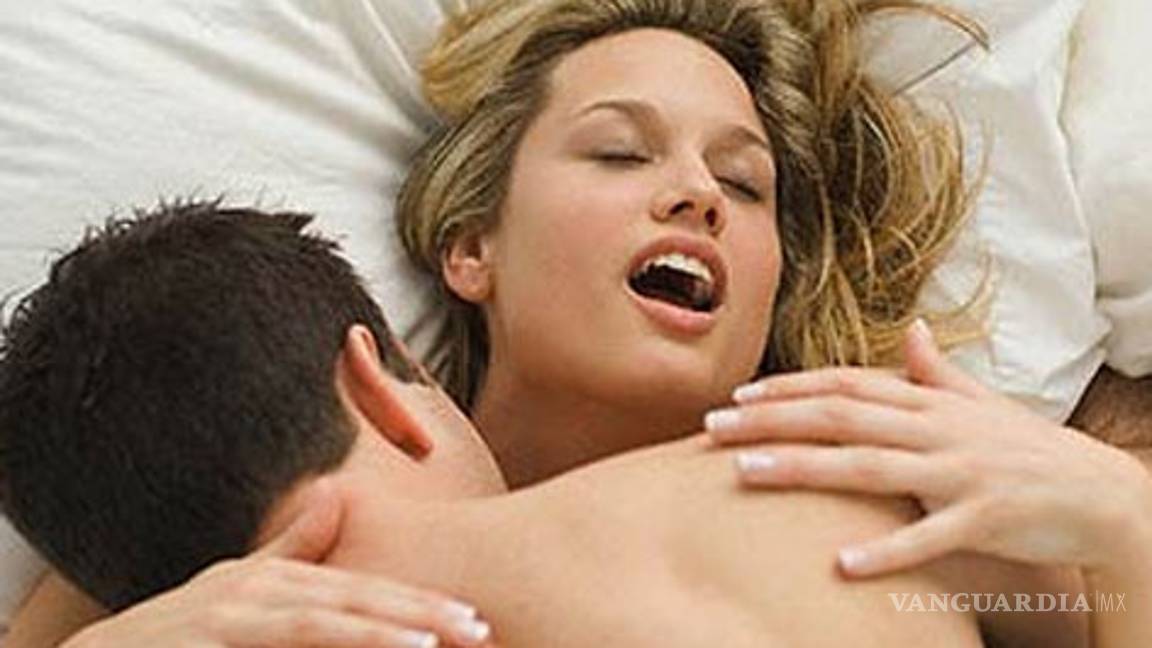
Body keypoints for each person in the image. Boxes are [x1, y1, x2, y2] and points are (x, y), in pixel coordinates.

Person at [0, 202, 1099, 647]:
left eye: (746, 178)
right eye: (615, 153)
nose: (695, 197)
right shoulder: (832, 480)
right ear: (383, 383)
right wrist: (1127, 524)